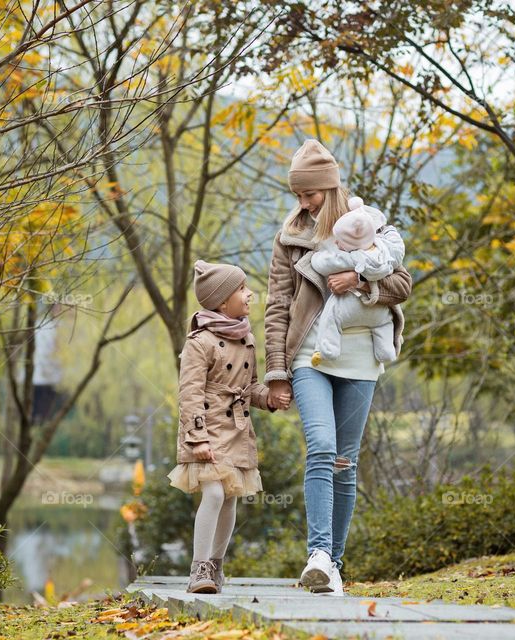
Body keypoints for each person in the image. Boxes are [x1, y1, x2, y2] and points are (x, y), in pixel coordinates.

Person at [264, 139, 412, 595]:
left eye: (310, 194)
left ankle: (334, 568)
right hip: (310, 355)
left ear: (330, 188)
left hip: (362, 358)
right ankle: (319, 554)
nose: (304, 203)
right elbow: (276, 306)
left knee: (345, 462)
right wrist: (275, 371)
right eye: (299, 195)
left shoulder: (368, 224)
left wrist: (362, 281)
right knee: (322, 447)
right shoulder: (290, 237)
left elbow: (403, 283)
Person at [167, 259, 283, 594]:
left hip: (237, 430)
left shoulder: (247, 339)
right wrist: (196, 437)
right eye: (242, 290)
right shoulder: (199, 342)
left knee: (231, 497)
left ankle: (216, 566)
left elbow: (250, 387)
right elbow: (189, 393)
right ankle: (198, 568)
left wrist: (269, 399)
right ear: (221, 301)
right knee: (215, 492)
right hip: (208, 428)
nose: (249, 295)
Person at [309, 197, 406, 366]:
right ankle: (386, 351)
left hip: (351, 310)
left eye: (339, 241)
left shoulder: (352, 258)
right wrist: (390, 231)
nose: (336, 243)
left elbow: (322, 264)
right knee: (384, 322)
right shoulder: (385, 252)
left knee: (331, 315)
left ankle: (328, 348)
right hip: (379, 313)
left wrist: (356, 281)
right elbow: (397, 249)